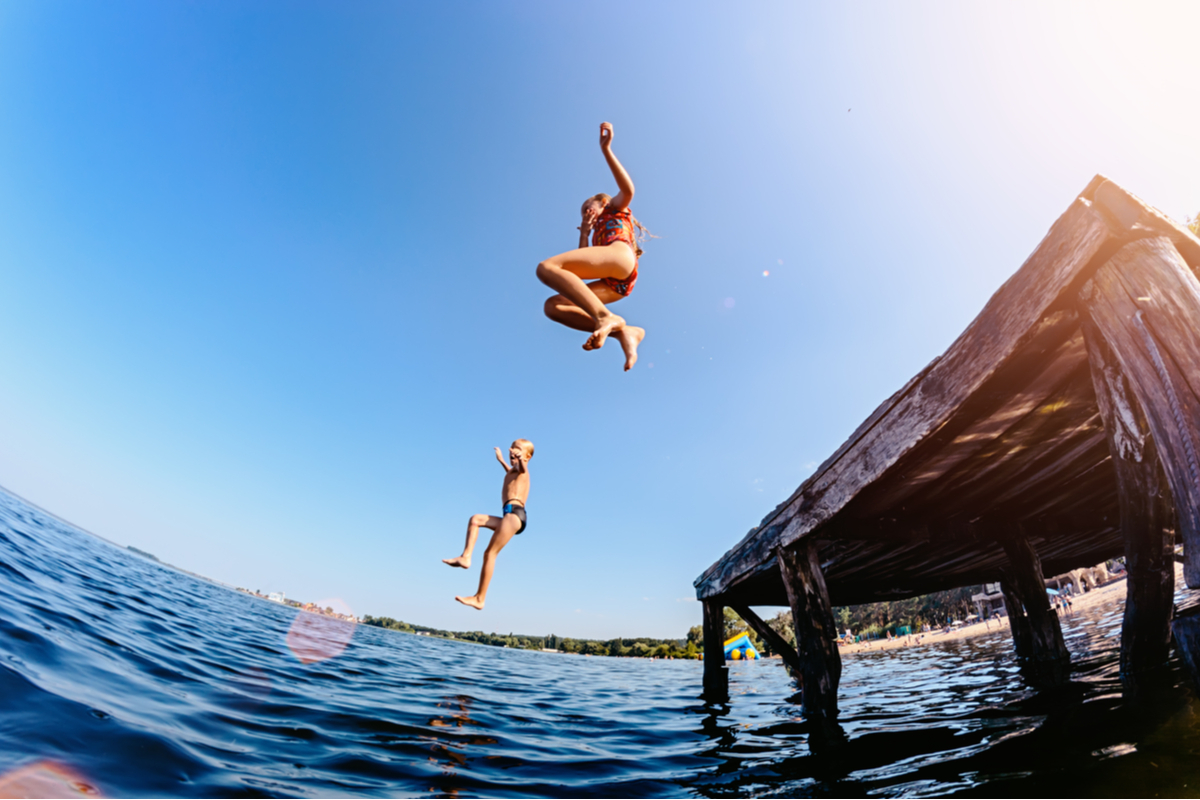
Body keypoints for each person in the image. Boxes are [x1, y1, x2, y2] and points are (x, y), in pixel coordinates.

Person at [537, 122, 650, 371]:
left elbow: (627, 190)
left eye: (588, 207)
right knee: (554, 306)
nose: (585, 212)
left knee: (546, 268)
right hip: (615, 285)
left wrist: (606, 149)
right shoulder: (596, 232)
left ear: (602, 202)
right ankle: (624, 333)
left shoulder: (614, 209)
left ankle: (605, 317)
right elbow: (577, 271)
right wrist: (586, 232)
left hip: (621, 257)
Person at [442, 440, 534, 609]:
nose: (513, 451)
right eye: (512, 448)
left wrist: (521, 459)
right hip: (508, 514)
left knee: (490, 554)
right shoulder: (512, 472)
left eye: (519, 449)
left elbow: (522, 468)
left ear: (527, 456)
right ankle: (466, 557)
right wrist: (501, 460)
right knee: (475, 519)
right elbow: (510, 472)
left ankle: (480, 598)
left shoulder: (523, 470)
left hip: (515, 515)